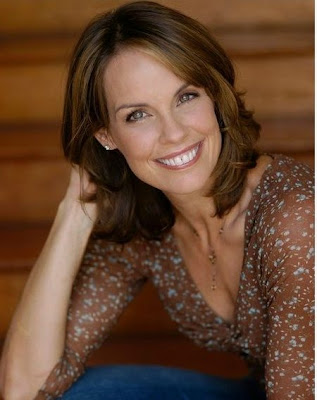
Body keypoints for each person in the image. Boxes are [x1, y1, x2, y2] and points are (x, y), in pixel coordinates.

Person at [0, 1, 314, 399]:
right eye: (137, 115)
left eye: (186, 97)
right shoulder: (148, 227)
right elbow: (25, 388)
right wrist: (74, 213)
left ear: (214, 95)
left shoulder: (296, 215)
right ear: (106, 136)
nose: (174, 134)